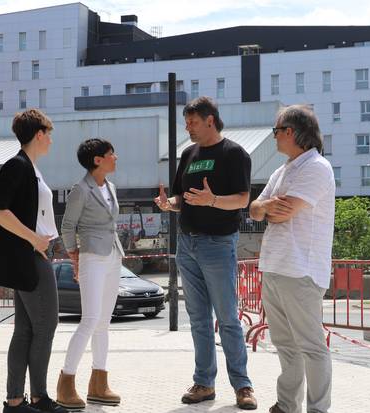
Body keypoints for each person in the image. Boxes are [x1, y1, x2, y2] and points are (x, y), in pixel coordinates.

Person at [154, 96, 257, 410]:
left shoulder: (234, 153)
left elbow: (242, 199)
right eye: (186, 123)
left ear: (210, 120)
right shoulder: (188, 154)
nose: (188, 128)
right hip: (187, 245)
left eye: (193, 122)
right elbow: (181, 198)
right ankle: (204, 383)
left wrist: (212, 200)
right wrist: (168, 204)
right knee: (198, 319)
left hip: (218, 244)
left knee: (227, 319)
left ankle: (243, 385)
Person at [0, 109, 66, 413]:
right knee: (47, 325)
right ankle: (37, 398)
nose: (51, 140)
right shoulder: (17, 165)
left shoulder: (30, 168)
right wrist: (33, 239)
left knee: (26, 330)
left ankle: (16, 402)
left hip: (33, 253)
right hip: (30, 255)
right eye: (49, 134)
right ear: (39, 134)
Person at [248, 105, 335, 413]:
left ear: (291, 132)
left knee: (311, 345)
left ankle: (318, 409)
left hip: (301, 270)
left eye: (276, 131)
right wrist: (265, 207)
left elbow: (286, 211)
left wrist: (267, 208)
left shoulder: (317, 167)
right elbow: (254, 210)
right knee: (285, 345)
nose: (274, 136)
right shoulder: (282, 170)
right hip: (274, 266)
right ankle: (287, 406)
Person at [56, 138, 125, 409]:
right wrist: (74, 254)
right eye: (111, 154)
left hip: (113, 255)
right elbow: (67, 226)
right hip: (91, 257)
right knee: (90, 320)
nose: (115, 157)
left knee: (104, 322)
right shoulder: (80, 190)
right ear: (97, 160)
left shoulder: (111, 187)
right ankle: (66, 383)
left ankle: (99, 384)